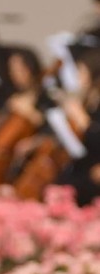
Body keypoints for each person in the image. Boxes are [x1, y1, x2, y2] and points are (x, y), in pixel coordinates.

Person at [57, 47, 100, 205]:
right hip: (81, 164)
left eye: (82, 72)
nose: (78, 77)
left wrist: (83, 120)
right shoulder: (89, 102)